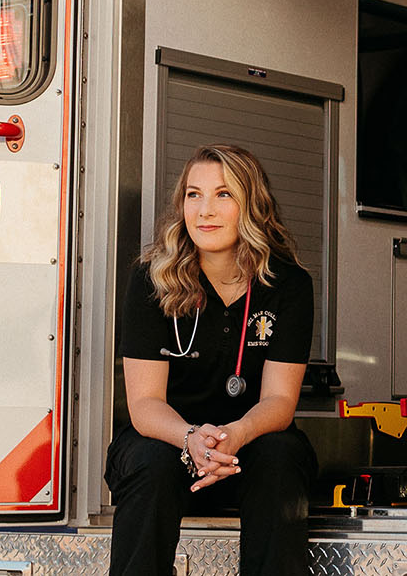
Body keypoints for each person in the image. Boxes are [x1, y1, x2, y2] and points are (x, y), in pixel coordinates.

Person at [107, 144, 317, 576]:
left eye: (224, 194)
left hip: (250, 443)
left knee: (280, 455)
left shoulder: (288, 285)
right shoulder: (151, 279)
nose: (205, 210)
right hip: (168, 439)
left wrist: (236, 435)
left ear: (251, 205)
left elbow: (279, 400)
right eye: (193, 194)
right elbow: (144, 404)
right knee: (150, 461)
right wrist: (190, 439)